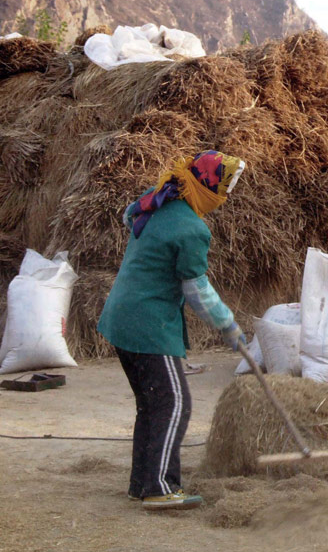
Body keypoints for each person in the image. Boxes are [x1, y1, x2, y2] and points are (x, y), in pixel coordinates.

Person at [98, 150, 248, 509]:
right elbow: (196, 290)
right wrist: (228, 325)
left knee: (151, 405)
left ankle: (142, 483)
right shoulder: (191, 228)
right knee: (173, 402)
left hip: (122, 317)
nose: (224, 198)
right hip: (147, 324)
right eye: (224, 188)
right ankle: (160, 488)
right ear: (210, 188)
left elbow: (127, 216)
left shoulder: (156, 200)